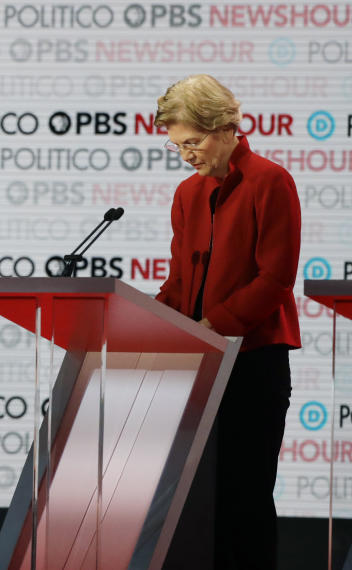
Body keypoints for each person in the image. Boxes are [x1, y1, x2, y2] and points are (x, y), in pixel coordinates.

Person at [153, 74, 300, 569]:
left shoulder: (270, 180)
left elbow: (275, 277)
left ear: (224, 127)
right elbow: (177, 283)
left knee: (246, 499)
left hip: (253, 362)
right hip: (199, 365)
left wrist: (214, 325)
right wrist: (150, 323)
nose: (186, 155)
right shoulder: (186, 194)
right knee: (197, 502)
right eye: (177, 147)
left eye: (191, 142)